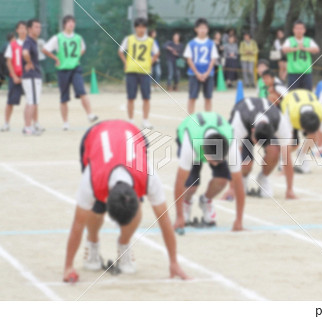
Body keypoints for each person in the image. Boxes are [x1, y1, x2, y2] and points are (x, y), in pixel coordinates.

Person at [63, 119, 188, 282]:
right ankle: (92, 242)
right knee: (95, 207)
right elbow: (78, 224)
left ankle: (124, 244)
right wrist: (68, 266)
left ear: (138, 196)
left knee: (129, 208)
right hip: (95, 137)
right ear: (107, 198)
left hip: (134, 135)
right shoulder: (92, 177)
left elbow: (164, 219)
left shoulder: (148, 175)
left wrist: (174, 262)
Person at [173, 112, 245, 232]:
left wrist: (239, 220)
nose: (216, 164)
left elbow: (239, 185)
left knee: (222, 179)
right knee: (191, 187)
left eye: (219, 160)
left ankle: (206, 200)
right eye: (213, 161)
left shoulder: (231, 143)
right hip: (191, 133)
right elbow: (179, 182)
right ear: (204, 153)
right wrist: (179, 216)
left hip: (214, 139)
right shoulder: (191, 145)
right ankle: (187, 202)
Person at [226, 96, 296, 199]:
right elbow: (233, 157)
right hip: (244, 125)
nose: (258, 146)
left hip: (265, 125)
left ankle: (263, 177)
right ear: (253, 131)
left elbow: (287, 158)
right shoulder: (239, 121)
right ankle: (243, 178)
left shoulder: (279, 121)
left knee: (274, 151)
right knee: (246, 164)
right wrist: (232, 188)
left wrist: (290, 189)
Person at [42, 15, 98, 130]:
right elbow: (45, 49)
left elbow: (83, 48)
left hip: (75, 68)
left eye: (73, 22)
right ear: (64, 24)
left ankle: (90, 115)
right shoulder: (57, 38)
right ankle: (65, 122)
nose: (71, 24)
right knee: (64, 97)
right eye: (68, 22)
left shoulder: (78, 37)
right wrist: (55, 58)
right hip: (62, 70)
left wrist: (77, 57)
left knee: (82, 91)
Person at [280, 89, 322, 174]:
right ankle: (280, 157)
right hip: (288, 103)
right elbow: (286, 140)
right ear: (303, 128)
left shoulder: (320, 112)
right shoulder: (291, 114)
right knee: (293, 144)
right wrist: (285, 165)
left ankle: (302, 154)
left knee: (314, 137)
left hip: (306, 102)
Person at [118, 18, 159, 129]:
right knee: (131, 97)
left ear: (146, 28)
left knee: (146, 97)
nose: (141, 29)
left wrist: (150, 62)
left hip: (145, 71)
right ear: (135, 28)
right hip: (131, 71)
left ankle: (145, 120)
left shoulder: (150, 41)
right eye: (139, 26)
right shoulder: (129, 39)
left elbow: (157, 52)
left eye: (143, 27)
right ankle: (131, 121)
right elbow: (120, 51)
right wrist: (126, 63)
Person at [184, 18, 218, 114]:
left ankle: (207, 118)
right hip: (194, 74)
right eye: (200, 28)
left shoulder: (211, 44)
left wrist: (207, 73)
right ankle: (190, 118)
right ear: (196, 29)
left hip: (208, 74)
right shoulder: (191, 43)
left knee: (208, 97)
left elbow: (213, 59)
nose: (203, 30)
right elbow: (189, 60)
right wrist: (197, 73)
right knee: (192, 97)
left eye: (205, 28)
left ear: (207, 30)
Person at [1, 22, 27, 132]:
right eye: (20, 28)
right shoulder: (12, 45)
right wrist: (14, 76)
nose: (22, 30)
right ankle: (6, 123)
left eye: (24, 28)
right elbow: (8, 61)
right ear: (17, 30)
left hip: (28, 77)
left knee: (32, 102)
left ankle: (32, 124)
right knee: (10, 101)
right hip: (15, 77)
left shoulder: (31, 43)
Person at [282, 20, 320, 91]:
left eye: (301, 28)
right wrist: (296, 48)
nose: (299, 30)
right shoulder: (289, 40)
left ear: (304, 30)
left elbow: (316, 49)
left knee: (307, 93)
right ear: (293, 30)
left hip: (306, 72)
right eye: (297, 28)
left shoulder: (308, 40)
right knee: (293, 94)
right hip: (293, 72)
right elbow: (284, 49)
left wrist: (304, 48)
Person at [21, 19, 44, 136]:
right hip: (32, 76)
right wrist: (29, 63)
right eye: (36, 27)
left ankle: (27, 126)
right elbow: (25, 53)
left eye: (39, 27)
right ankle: (28, 127)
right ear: (29, 29)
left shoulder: (33, 42)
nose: (38, 29)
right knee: (32, 102)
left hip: (31, 77)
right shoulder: (29, 41)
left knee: (30, 101)